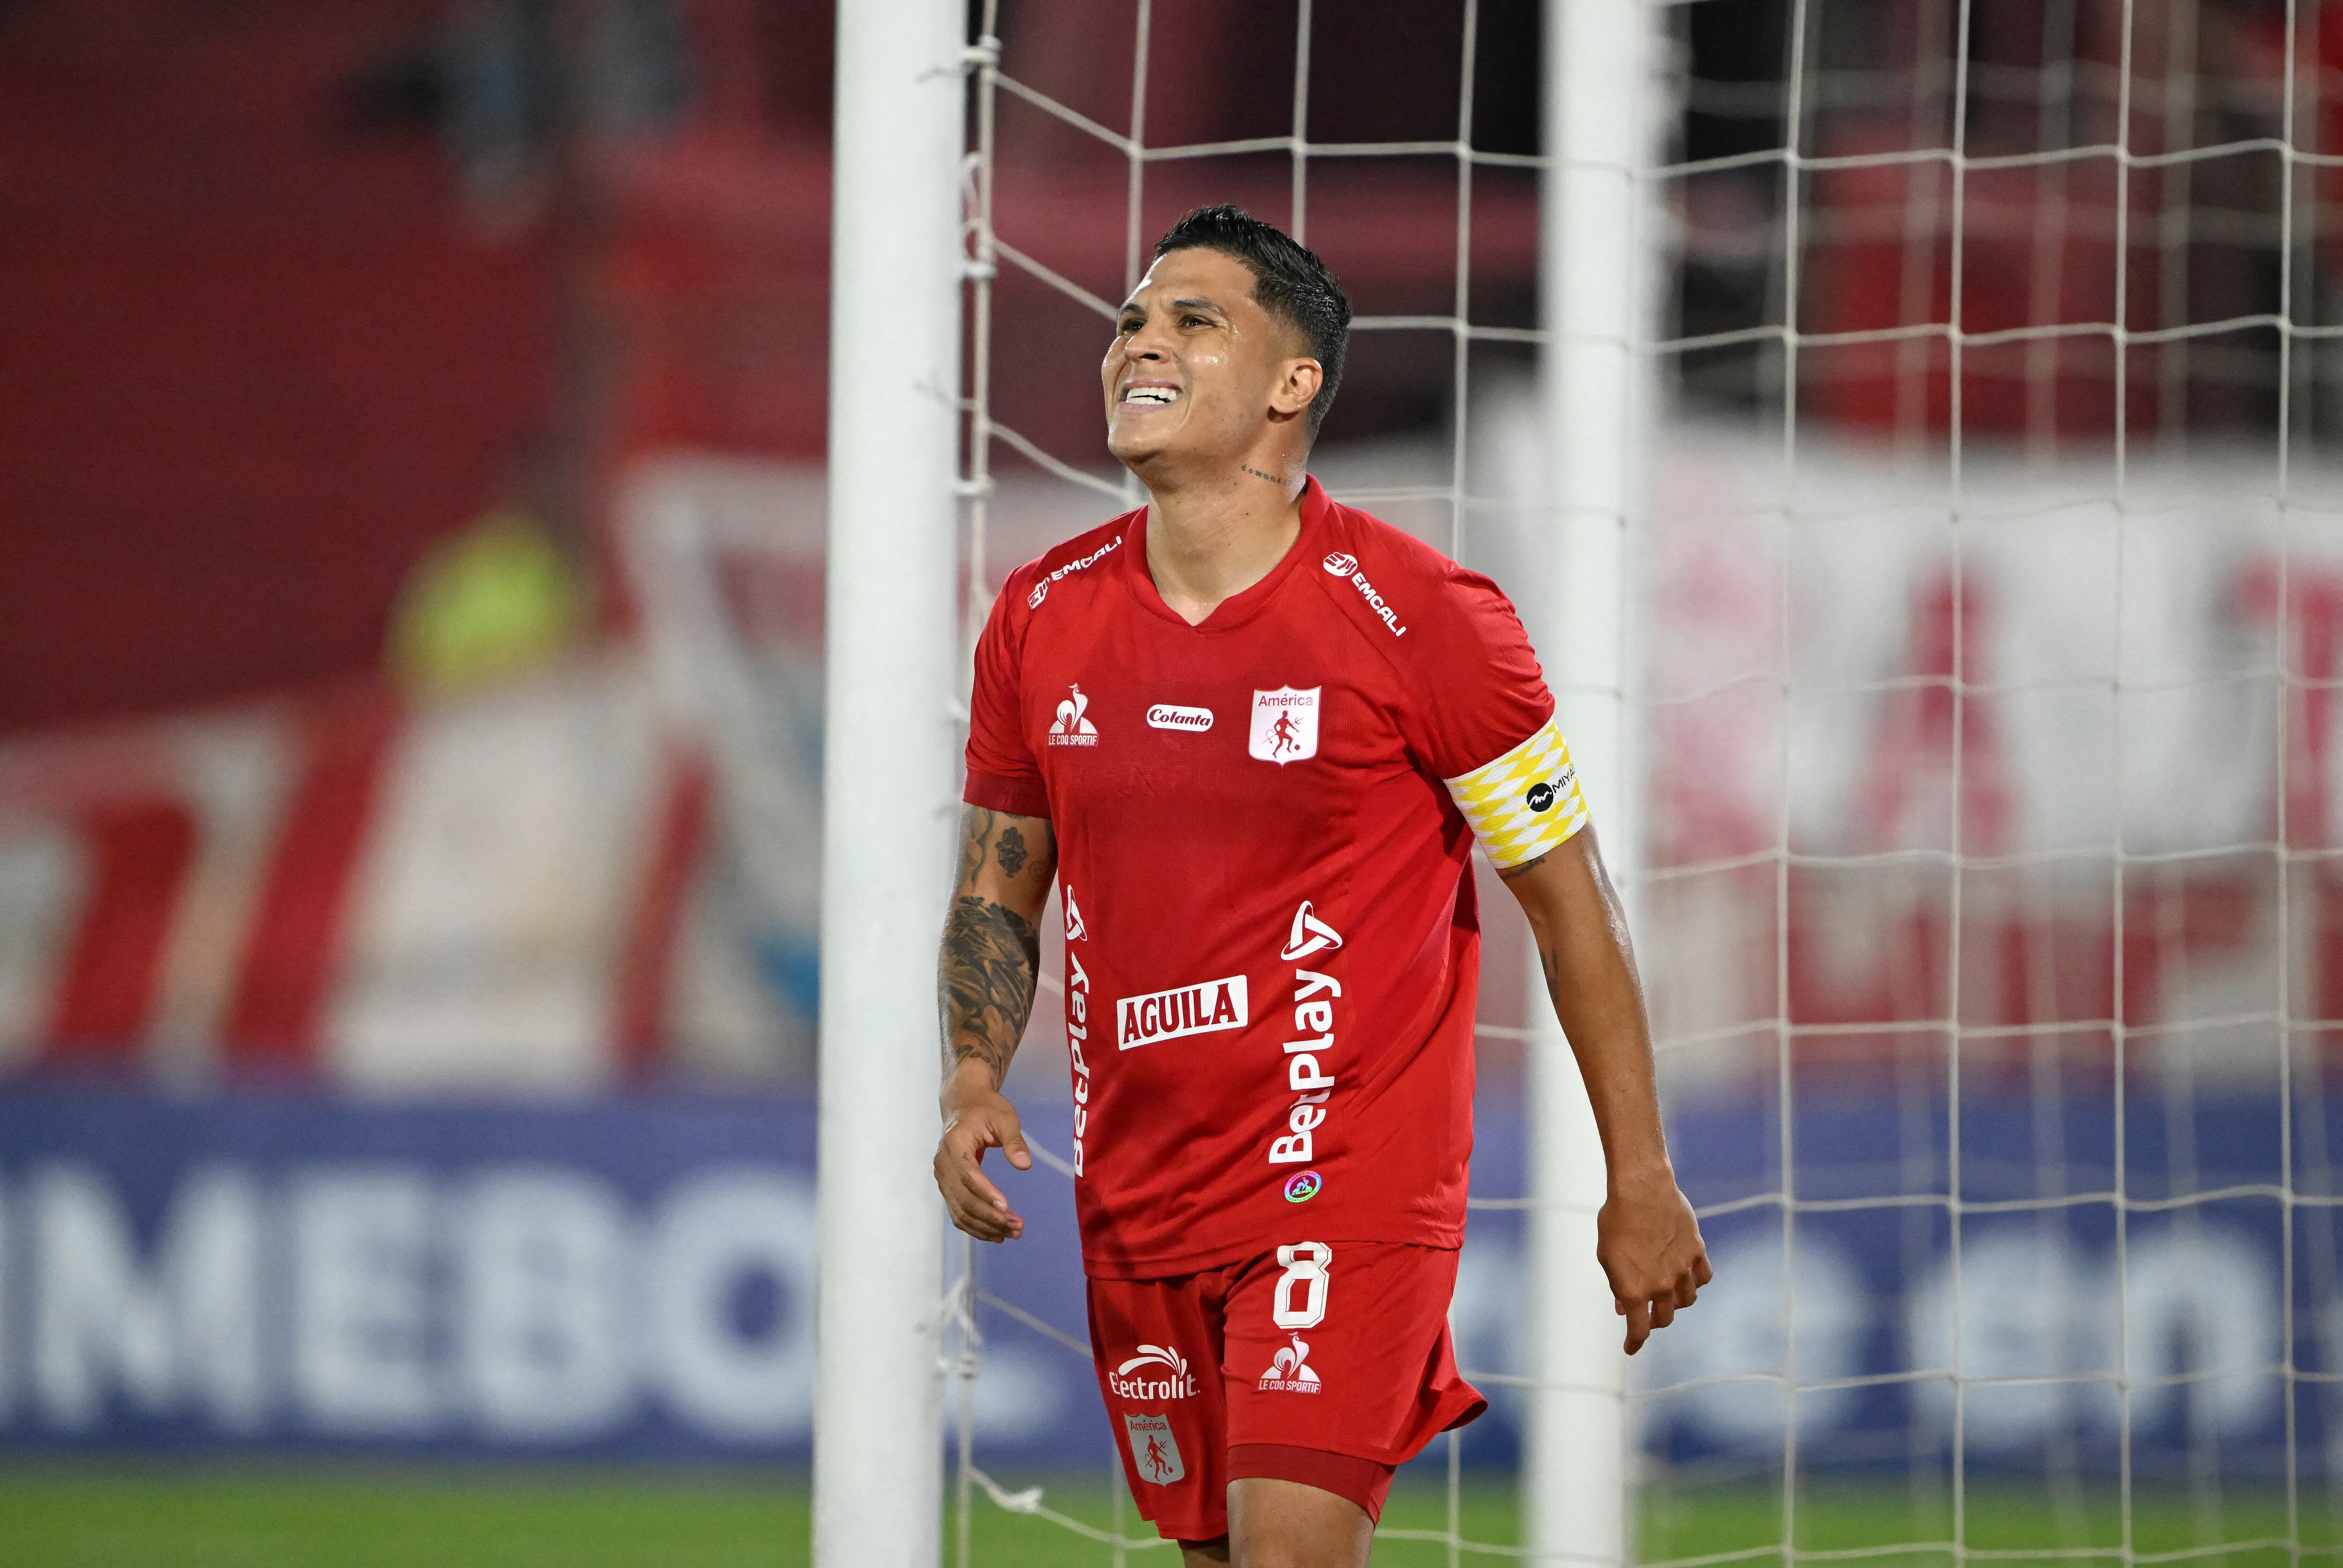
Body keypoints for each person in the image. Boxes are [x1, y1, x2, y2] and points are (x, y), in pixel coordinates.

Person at [933, 203, 1710, 1568]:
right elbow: (1000, 884)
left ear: (1295, 384)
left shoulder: (1428, 618)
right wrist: (972, 1078)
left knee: (1291, 1553)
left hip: (1342, 1179)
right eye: (1132, 319)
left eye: (1194, 320)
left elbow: (1571, 896)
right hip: (1139, 1189)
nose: (1141, 344)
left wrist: (1637, 1170)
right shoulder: (1039, 616)